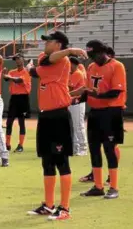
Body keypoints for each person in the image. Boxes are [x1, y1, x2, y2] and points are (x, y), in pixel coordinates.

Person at [26, 31, 87, 220]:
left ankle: (65, 208)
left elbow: (37, 69)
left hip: (59, 116)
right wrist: (69, 50)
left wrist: (68, 52)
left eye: (49, 41)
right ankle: (49, 205)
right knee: (47, 162)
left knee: (62, 162)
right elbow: (39, 67)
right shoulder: (47, 58)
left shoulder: (64, 61)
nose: (45, 44)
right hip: (45, 117)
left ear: (58, 44)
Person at [77, 40, 126, 200]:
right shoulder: (91, 67)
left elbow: (115, 92)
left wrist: (96, 95)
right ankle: (98, 186)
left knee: (109, 148)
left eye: (94, 54)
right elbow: (88, 90)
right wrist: (75, 100)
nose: (93, 58)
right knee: (94, 148)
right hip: (95, 112)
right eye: (90, 55)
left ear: (102, 52)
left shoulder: (117, 66)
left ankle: (114, 187)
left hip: (111, 112)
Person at [2, 53, 31, 153]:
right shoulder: (12, 71)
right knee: (9, 121)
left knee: (21, 122)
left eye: (19, 59)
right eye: (16, 59)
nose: (17, 61)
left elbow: (19, 80)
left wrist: (8, 77)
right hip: (14, 98)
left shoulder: (26, 72)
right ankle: (7, 144)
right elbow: (6, 78)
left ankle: (20, 145)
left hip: (23, 98)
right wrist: (4, 74)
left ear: (23, 59)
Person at [67, 56, 88, 156]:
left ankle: (83, 148)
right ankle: (75, 148)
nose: (68, 66)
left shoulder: (78, 73)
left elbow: (70, 88)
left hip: (77, 103)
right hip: (69, 102)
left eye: (69, 64)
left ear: (74, 64)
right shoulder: (68, 73)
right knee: (72, 126)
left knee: (78, 126)